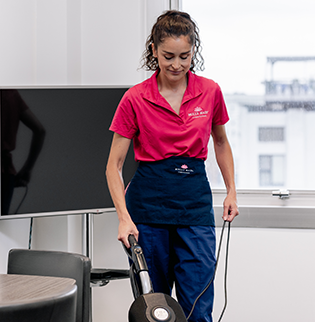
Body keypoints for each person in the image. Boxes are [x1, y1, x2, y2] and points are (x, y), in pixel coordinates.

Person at [105, 10, 239, 322]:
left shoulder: (210, 91)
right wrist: (124, 219)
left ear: (194, 52)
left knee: (198, 307)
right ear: (153, 50)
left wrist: (232, 191)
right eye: (168, 56)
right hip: (148, 211)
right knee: (156, 310)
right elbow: (114, 166)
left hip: (195, 208)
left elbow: (220, 142)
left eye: (184, 56)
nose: (176, 65)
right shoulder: (135, 99)